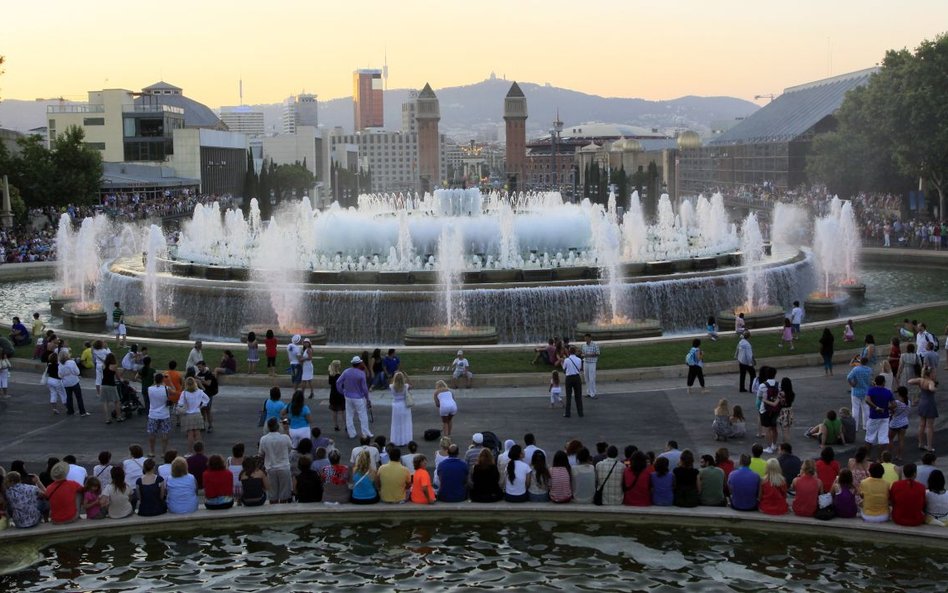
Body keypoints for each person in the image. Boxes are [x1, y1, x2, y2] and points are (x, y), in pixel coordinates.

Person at [259, 417, 293, 503]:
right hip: (284, 467)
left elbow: (261, 454)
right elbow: (290, 448)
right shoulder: (285, 437)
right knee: (284, 495)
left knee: (272, 495)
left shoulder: (263, 439)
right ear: (278, 427)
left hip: (270, 468)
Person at [337, 356, 372, 440]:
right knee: (363, 415)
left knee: (349, 415)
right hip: (358, 397)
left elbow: (338, 382)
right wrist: (367, 398)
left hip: (348, 396)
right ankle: (365, 433)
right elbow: (365, 389)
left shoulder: (346, 372)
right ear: (359, 364)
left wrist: (342, 391)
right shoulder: (361, 373)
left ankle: (351, 433)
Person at [908, 366, 938, 453]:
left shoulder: (921, 380)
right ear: (930, 374)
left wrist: (920, 379)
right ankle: (929, 446)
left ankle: (920, 443)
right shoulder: (930, 382)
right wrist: (934, 389)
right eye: (933, 373)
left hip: (922, 403)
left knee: (921, 425)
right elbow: (931, 388)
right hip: (929, 403)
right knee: (929, 426)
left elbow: (909, 381)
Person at [177, 376, 209, 452]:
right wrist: (201, 406)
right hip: (197, 414)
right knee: (198, 434)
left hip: (187, 415)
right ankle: (200, 451)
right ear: (195, 383)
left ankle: (190, 452)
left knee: (190, 434)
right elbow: (207, 399)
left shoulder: (184, 393)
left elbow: (180, 403)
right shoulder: (200, 392)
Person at [58, 350, 88, 417]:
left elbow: (59, 375)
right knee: (79, 397)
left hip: (66, 383)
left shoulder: (60, 364)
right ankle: (82, 412)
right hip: (74, 382)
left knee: (69, 397)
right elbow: (77, 372)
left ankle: (70, 411)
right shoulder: (71, 362)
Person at [846, 357, 872, 431]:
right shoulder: (869, 370)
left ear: (860, 361)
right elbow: (870, 380)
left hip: (856, 391)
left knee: (855, 409)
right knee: (866, 409)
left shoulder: (856, 369)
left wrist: (852, 384)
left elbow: (848, 377)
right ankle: (866, 426)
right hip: (866, 391)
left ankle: (855, 427)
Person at [561, 345, 584, 418]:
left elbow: (564, 370)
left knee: (568, 396)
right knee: (578, 396)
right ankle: (580, 413)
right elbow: (580, 368)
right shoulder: (579, 360)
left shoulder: (567, 360)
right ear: (575, 352)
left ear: (569, 352)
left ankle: (568, 413)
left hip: (569, 378)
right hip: (577, 377)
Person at [101, 353, 123, 424]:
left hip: (104, 384)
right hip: (111, 385)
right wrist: (121, 380)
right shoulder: (114, 366)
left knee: (105, 402)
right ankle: (119, 417)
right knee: (116, 401)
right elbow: (118, 377)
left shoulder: (103, 365)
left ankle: (107, 419)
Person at [325, 360, 345, 432]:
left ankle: (336, 425)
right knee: (342, 411)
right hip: (339, 394)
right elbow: (342, 385)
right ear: (337, 366)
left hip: (333, 394)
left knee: (334, 411)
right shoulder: (339, 375)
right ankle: (345, 425)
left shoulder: (331, 375)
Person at [45, 350, 67, 416]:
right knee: (63, 394)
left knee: (53, 393)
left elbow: (47, 373)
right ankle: (67, 407)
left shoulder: (49, 365)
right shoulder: (59, 365)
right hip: (57, 381)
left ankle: (54, 408)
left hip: (49, 380)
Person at [581, 333, 600, 399]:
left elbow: (597, 353)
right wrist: (582, 355)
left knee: (592, 378)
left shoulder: (595, 345)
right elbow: (582, 353)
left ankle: (593, 393)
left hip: (592, 363)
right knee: (586, 378)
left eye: (586, 338)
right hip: (585, 362)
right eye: (585, 338)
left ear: (590, 338)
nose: (585, 339)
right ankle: (588, 392)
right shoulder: (583, 345)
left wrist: (588, 355)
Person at [777, 377, 795, 443]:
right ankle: (786, 443)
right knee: (787, 429)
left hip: (783, 411)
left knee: (784, 430)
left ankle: (786, 444)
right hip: (790, 410)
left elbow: (779, 402)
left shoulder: (781, 393)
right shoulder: (792, 393)